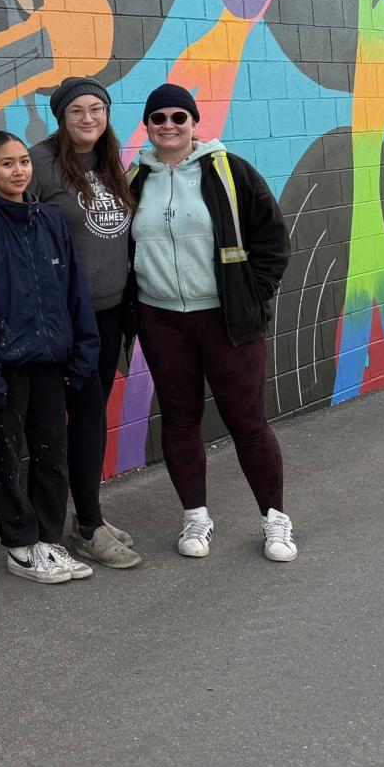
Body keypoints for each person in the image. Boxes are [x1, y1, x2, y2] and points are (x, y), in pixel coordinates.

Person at [126, 83, 297, 562]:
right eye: (158, 118)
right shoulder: (135, 178)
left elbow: (273, 239)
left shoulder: (230, 170)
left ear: (194, 123)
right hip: (162, 320)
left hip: (227, 320)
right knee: (180, 421)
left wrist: (251, 293)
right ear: (148, 126)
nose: (169, 126)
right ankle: (195, 518)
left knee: (248, 422)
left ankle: (275, 520)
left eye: (179, 117)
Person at [0, 131, 102, 584]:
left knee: (53, 454)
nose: (18, 171)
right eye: (6, 164)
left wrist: (81, 353)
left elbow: (75, 292)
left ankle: (49, 540)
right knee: (7, 458)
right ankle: (20, 546)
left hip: (51, 364)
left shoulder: (50, 221)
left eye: (23, 162)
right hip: (5, 372)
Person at [31, 77, 143, 569]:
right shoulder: (39, 163)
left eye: (97, 109)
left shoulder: (111, 160)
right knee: (75, 417)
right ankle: (85, 527)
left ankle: (87, 517)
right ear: (61, 116)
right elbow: (11, 231)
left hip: (110, 311)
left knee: (92, 416)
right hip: (66, 318)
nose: (88, 119)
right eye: (77, 110)